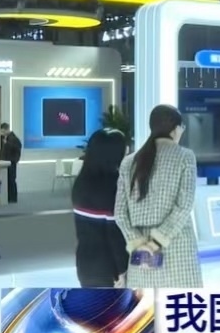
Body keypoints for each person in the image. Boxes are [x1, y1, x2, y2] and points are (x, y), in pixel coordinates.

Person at [115, 105, 202, 288]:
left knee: (145, 304)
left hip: (141, 254)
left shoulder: (129, 162)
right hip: (177, 249)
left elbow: (120, 213)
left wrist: (139, 245)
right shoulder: (185, 157)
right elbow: (184, 206)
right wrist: (155, 243)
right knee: (181, 303)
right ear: (176, 129)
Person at [73, 128, 129, 287]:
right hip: (109, 269)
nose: (127, 150)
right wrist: (122, 269)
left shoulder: (81, 182)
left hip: (85, 263)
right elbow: (114, 234)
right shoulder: (113, 186)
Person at [0, 122, 22, 203]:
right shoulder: (5, 138)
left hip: (11, 162)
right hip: (6, 162)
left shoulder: (14, 139)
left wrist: (7, 144)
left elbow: (17, 149)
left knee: (11, 180)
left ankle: (13, 198)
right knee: (8, 180)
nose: (2, 133)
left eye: (3, 131)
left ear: (7, 129)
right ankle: (8, 197)